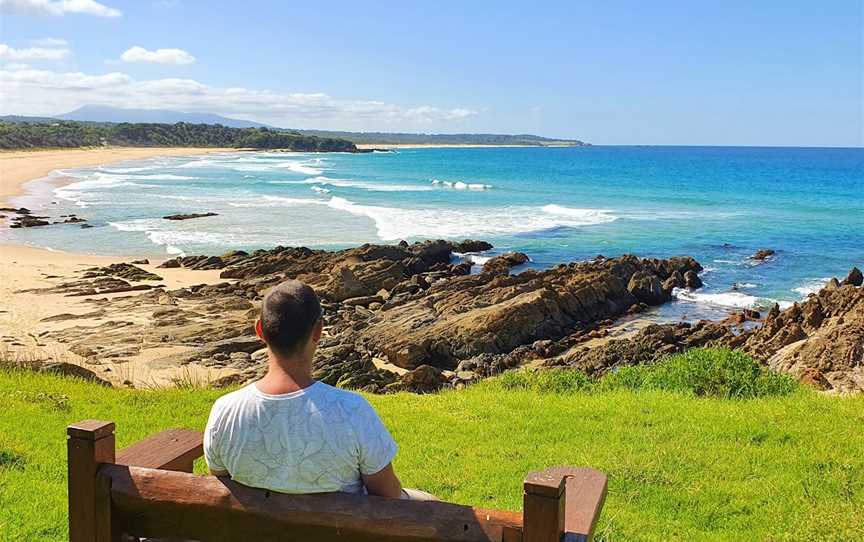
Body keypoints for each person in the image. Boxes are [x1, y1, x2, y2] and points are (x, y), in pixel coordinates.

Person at [203, 279, 434, 500]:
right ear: (318, 331)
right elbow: (388, 496)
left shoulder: (225, 411)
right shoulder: (352, 411)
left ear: (260, 330)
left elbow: (224, 484)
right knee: (431, 504)